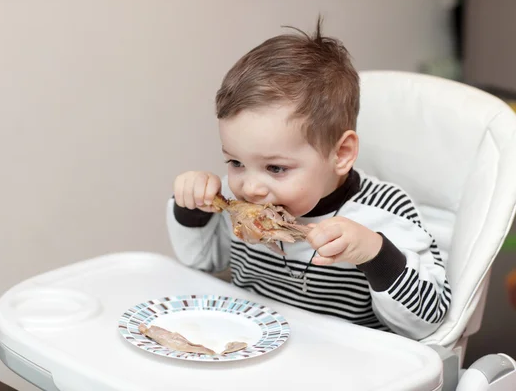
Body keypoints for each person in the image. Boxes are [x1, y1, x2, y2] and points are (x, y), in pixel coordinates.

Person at [166, 19, 451, 340]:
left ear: (341, 153)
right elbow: (201, 260)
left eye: (276, 168)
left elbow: (430, 319)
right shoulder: (241, 197)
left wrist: (374, 252)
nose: (250, 187)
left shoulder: (385, 211)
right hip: (249, 344)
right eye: (235, 162)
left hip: (343, 362)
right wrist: (191, 207)